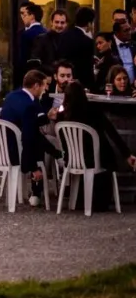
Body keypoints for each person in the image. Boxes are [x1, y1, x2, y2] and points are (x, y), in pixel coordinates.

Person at [55, 81, 136, 211]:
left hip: (72, 159)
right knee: (106, 154)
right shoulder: (94, 111)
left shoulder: (62, 116)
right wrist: (127, 154)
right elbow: (112, 132)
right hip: (96, 159)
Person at [0, 70, 63, 203]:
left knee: (38, 136)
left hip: (1, 146)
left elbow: (29, 121)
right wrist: (33, 168)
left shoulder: (12, 95)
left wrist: (46, 117)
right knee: (36, 139)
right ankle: (37, 188)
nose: (46, 89)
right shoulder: (30, 105)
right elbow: (28, 137)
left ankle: (57, 156)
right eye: (44, 85)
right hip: (15, 148)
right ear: (36, 86)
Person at [59, 7, 96, 89]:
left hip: (64, 80)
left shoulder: (63, 35)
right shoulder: (87, 41)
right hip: (80, 84)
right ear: (89, 23)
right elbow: (87, 68)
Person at [16, 2, 46, 90]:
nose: (23, 18)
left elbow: (22, 59)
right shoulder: (46, 32)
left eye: (25, 15)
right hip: (44, 74)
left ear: (32, 16)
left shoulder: (26, 34)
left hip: (28, 74)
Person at [30, 8, 68, 76]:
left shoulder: (70, 41)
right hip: (46, 78)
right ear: (51, 22)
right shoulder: (41, 39)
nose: (59, 25)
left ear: (66, 24)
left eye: (62, 23)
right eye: (57, 22)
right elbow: (35, 62)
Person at [110, 18, 134, 84]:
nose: (129, 33)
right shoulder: (110, 46)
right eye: (126, 30)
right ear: (117, 33)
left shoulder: (134, 45)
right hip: (116, 86)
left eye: (129, 29)